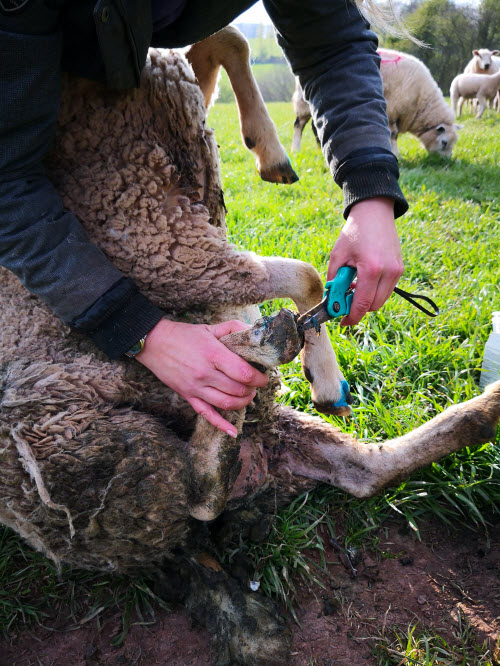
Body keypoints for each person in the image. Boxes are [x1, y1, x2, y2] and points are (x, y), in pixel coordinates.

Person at [0, 0, 407, 436]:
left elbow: (332, 42)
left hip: (120, 110)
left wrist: (371, 195)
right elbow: (7, 178)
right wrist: (142, 332)